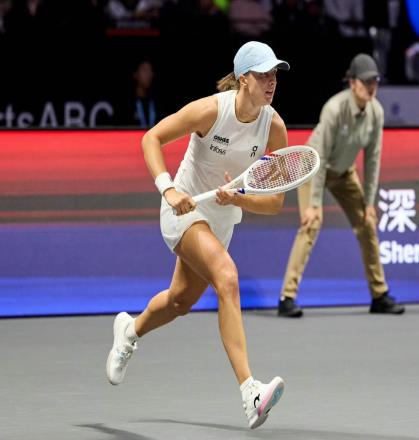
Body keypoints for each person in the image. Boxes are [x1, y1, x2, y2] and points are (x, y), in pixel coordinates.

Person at [106, 41, 290, 429]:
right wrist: (168, 189)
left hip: (221, 220)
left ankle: (129, 331)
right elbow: (151, 138)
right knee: (227, 277)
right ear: (243, 79)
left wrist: (239, 198)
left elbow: (275, 202)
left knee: (180, 301)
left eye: (274, 74)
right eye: (263, 75)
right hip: (183, 210)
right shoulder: (211, 111)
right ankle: (250, 393)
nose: (271, 82)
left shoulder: (273, 127)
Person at [278, 53, 405, 318]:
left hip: (344, 172)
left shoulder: (376, 112)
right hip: (313, 166)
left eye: (375, 81)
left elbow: (373, 159)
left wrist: (369, 202)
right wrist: (313, 204)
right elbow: (321, 156)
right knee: (311, 224)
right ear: (353, 83)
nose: (371, 87)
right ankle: (286, 297)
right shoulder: (335, 109)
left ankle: (379, 295)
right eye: (366, 81)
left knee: (367, 223)